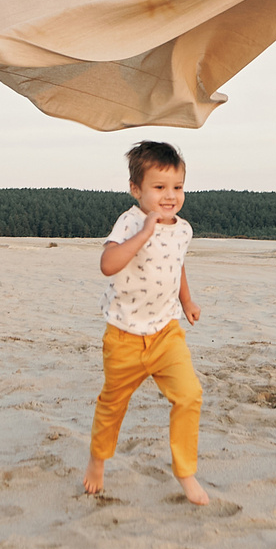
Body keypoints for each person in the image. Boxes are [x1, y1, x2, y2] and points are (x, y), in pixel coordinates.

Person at [85, 139, 209, 507]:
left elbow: (177, 264)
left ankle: (185, 471)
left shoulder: (183, 229)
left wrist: (187, 301)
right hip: (124, 335)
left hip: (166, 333)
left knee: (189, 395)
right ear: (136, 190)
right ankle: (97, 459)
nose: (170, 196)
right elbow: (108, 264)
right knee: (112, 404)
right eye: (159, 188)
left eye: (177, 187)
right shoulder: (130, 221)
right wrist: (144, 233)